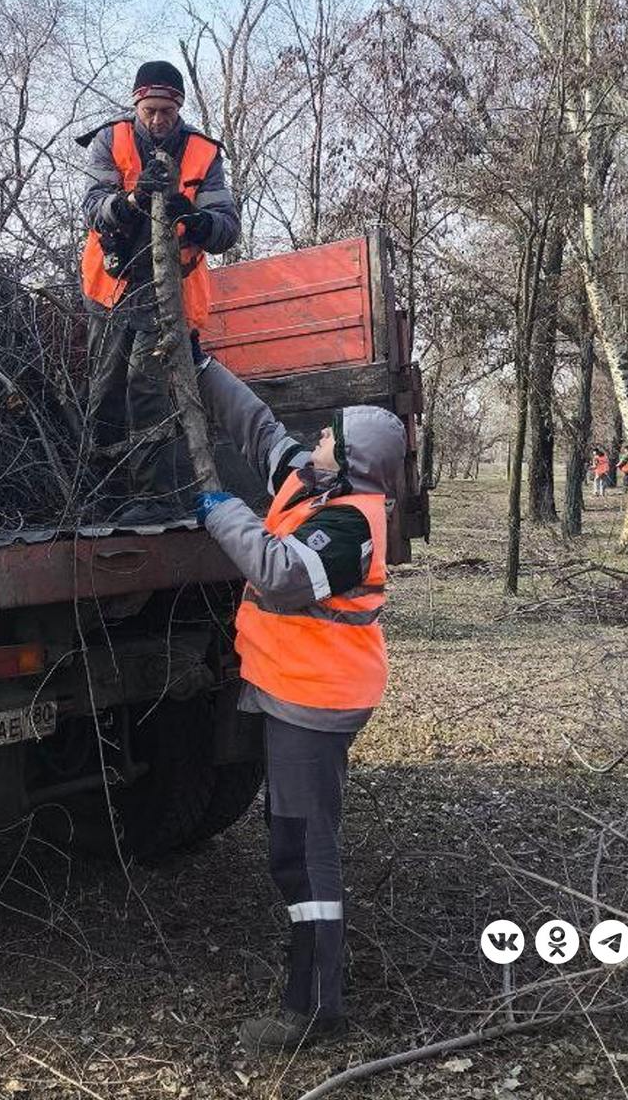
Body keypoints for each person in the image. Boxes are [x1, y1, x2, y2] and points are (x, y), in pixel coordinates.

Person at [191, 340, 407, 1052]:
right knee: (293, 837)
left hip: (315, 700)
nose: (311, 439)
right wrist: (199, 367)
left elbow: (281, 573)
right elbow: (257, 427)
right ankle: (316, 987)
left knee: (303, 849)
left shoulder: (350, 527)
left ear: (344, 459)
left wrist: (220, 511)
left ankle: (313, 1006)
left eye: (325, 437)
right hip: (294, 688)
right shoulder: (315, 484)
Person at [77, 60, 240, 523]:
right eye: (149, 110)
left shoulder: (204, 154)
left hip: (170, 294)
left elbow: (227, 229)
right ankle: (103, 495)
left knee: (147, 391)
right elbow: (92, 206)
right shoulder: (112, 140)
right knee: (105, 392)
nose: (157, 119)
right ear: (136, 105)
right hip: (111, 288)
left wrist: (195, 218)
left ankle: (152, 498)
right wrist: (130, 202)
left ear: (179, 107)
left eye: (166, 110)